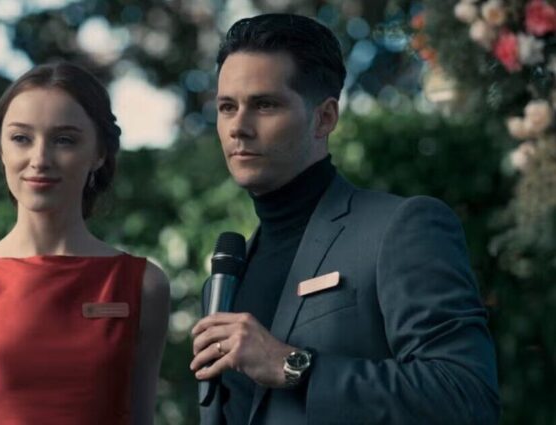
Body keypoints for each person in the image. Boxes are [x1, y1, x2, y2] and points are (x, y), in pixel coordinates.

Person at [190, 13, 499, 425]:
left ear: (325, 118)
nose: (238, 128)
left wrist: (292, 365)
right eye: (227, 107)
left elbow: (466, 396)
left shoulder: (402, 227)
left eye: (264, 105)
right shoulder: (227, 277)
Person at [0, 62, 170, 425]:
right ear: (1, 149)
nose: (39, 160)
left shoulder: (144, 285)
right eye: (21, 138)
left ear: (99, 153)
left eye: (64, 140)